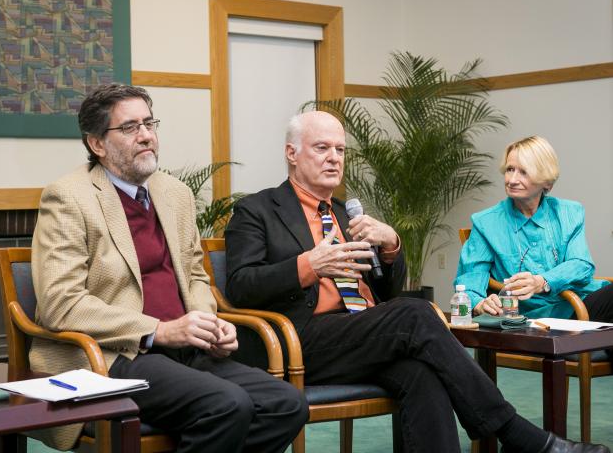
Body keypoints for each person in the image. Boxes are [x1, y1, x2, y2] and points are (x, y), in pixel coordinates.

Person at [225, 111, 609, 453]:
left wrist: (392, 248)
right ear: (292, 153)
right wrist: (308, 264)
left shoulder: (344, 215)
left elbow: (384, 293)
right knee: (418, 312)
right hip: (299, 338)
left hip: (358, 333)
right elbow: (241, 285)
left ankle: (518, 437)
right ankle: (518, 433)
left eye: (341, 150)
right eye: (322, 148)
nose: (334, 158)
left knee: (421, 374)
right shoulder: (256, 210)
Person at [30, 83, 308, 453]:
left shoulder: (174, 193)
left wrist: (209, 323)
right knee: (226, 405)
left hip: (187, 349)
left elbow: (195, 276)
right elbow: (60, 303)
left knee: (287, 405)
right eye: (130, 128)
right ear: (97, 144)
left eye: (149, 123)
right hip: (116, 354)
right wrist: (158, 331)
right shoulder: (69, 197)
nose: (146, 136)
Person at [455, 136, 612, 324]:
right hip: (528, 315)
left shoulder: (569, 213)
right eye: (510, 169)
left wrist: (542, 281)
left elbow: (582, 264)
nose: (512, 180)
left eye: (523, 172)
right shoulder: (486, 223)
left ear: (546, 182)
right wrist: (480, 303)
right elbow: (469, 280)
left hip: (579, 305)